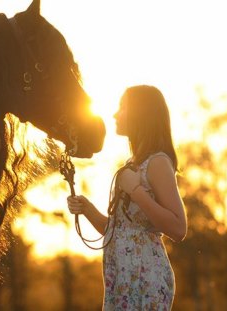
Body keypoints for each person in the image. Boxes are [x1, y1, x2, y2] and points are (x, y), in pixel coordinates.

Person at [67, 85, 187, 310]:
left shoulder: (158, 162)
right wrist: (88, 209)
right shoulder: (132, 164)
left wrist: (137, 192)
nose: (115, 114)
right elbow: (121, 232)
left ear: (141, 114)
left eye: (122, 107)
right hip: (121, 279)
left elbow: (179, 229)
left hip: (145, 277)